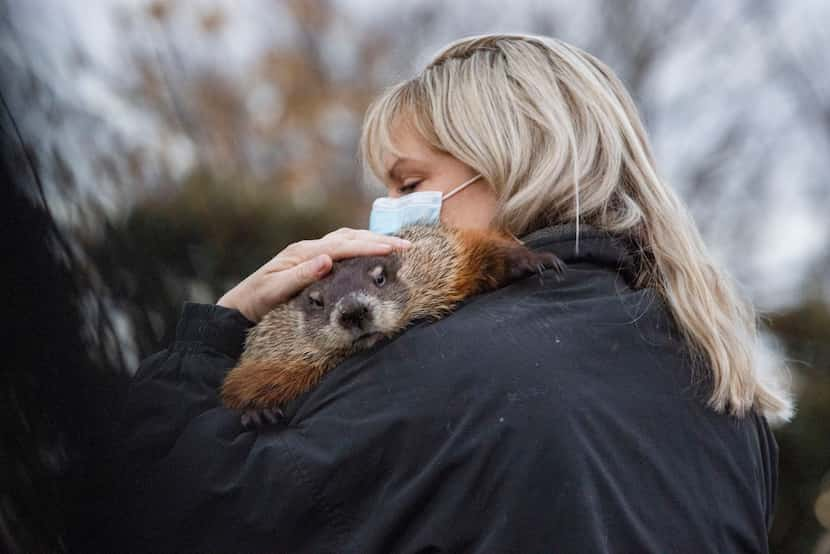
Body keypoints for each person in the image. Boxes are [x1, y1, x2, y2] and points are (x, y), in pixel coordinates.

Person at [115, 33, 790, 552]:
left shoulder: (428, 369)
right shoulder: (727, 393)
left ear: (514, 160)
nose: (386, 212)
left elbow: (154, 513)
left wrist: (217, 330)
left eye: (408, 185)